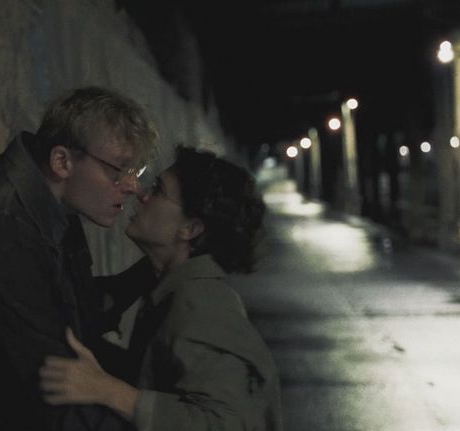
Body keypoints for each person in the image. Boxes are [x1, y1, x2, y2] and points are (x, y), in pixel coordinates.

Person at [0, 86, 158, 431]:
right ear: (62, 161)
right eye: (118, 171)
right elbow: (55, 384)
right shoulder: (2, 229)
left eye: (135, 171)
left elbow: (79, 315)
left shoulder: (56, 207)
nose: (132, 186)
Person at [39, 145, 283, 431]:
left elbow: (225, 423)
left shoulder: (200, 306)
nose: (141, 194)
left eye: (158, 190)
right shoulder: (172, 283)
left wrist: (109, 391)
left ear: (190, 228)